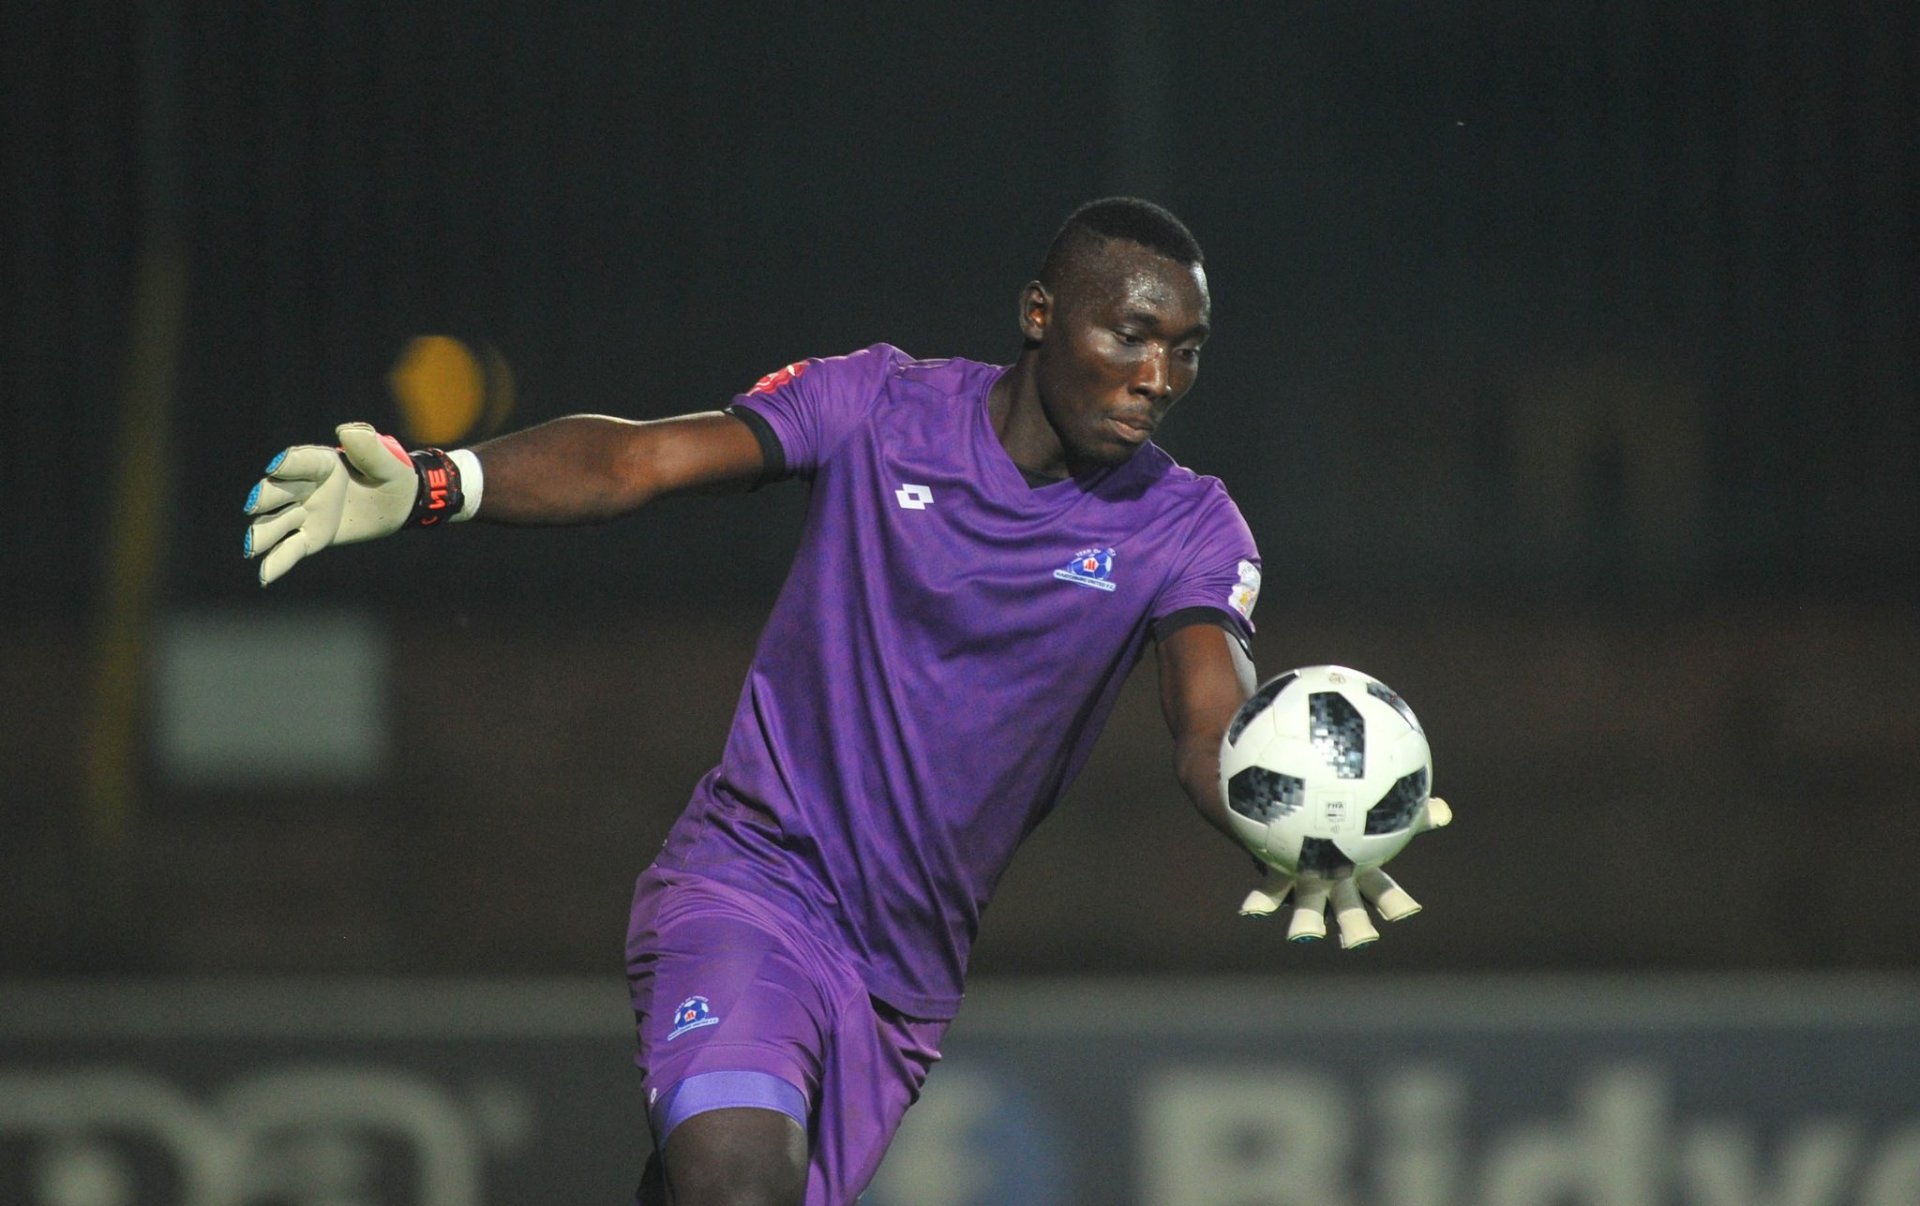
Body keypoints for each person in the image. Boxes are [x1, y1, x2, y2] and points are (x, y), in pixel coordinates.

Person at [243, 197, 1447, 1206]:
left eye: (1186, 349)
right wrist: (438, 483)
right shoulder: (880, 408)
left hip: (900, 979)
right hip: (752, 881)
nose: (1158, 377)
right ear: (1039, 316)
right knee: (734, 1175)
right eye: (1132, 335)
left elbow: (1206, 721)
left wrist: (1273, 810)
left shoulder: (1185, 524)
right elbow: (643, 459)